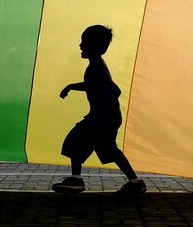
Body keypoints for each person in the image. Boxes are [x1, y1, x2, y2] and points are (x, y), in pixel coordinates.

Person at [52, 25, 146, 195]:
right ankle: (135, 182)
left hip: (102, 118)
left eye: (84, 43)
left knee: (76, 140)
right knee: (107, 148)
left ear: (94, 47)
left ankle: (76, 180)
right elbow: (96, 86)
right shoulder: (96, 65)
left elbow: (112, 89)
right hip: (104, 117)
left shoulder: (97, 68)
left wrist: (71, 87)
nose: (80, 46)